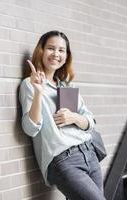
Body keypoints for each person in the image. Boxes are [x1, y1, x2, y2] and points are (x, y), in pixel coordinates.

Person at [19, 30, 106, 200]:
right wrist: (38, 93)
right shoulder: (30, 84)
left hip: (89, 153)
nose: (56, 54)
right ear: (41, 51)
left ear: (66, 55)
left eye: (61, 50)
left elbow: (89, 121)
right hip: (64, 160)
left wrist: (74, 117)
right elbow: (30, 129)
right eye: (51, 48)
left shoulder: (66, 85)